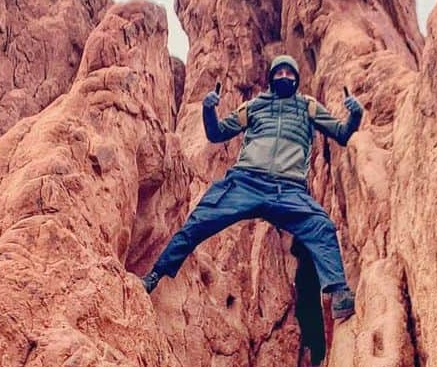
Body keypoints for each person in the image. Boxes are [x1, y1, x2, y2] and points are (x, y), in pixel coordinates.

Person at [141, 55, 363, 320]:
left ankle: (339, 293)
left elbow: (341, 133)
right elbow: (217, 133)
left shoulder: (308, 107)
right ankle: (155, 275)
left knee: (321, 227)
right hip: (246, 182)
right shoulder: (255, 106)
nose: (284, 77)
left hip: (288, 189)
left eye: (288, 73)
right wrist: (209, 110)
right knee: (197, 222)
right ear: (271, 78)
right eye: (278, 73)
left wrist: (355, 115)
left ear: (296, 78)